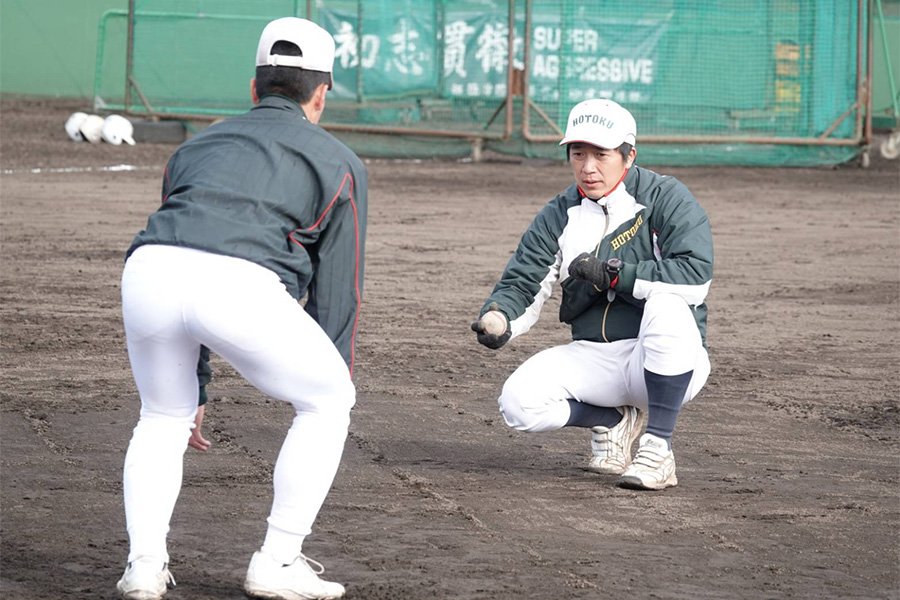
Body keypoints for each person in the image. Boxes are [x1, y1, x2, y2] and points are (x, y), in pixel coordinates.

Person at [115, 17, 367, 600]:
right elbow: (337, 294)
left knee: (162, 416)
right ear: (322, 93)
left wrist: (197, 386)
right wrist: (332, 377)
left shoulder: (195, 145)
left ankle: (143, 567)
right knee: (328, 401)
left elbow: (188, 249)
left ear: (254, 88)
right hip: (240, 284)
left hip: (147, 271)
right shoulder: (340, 161)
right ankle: (278, 561)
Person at [471, 98, 712, 491]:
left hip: (663, 357)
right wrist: (500, 317)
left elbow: (693, 277)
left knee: (668, 302)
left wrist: (616, 275)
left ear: (628, 155)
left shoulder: (667, 198)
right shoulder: (560, 212)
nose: (588, 167)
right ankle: (614, 421)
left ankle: (658, 448)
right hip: (596, 357)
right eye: (577, 153)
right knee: (518, 404)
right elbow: (523, 280)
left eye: (601, 154)